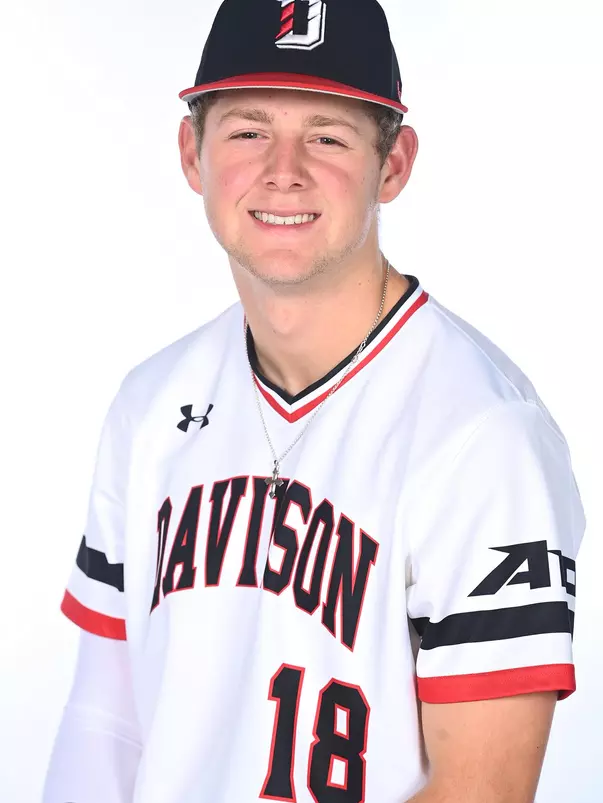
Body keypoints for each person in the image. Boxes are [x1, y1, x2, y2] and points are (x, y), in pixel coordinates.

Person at [42, 1, 586, 802]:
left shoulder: (482, 435)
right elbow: (105, 721)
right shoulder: (151, 405)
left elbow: (483, 789)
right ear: (191, 154)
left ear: (393, 163)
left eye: (327, 136)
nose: (282, 169)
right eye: (247, 131)